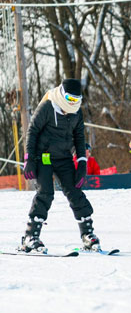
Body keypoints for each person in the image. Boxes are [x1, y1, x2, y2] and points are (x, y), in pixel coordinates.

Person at [21, 79, 101, 253]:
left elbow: (79, 138)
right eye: (69, 99)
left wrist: (81, 163)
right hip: (44, 157)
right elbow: (32, 131)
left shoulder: (76, 112)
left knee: (75, 192)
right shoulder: (48, 107)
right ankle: (30, 236)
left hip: (63, 157)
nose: (71, 104)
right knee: (46, 193)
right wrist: (29, 159)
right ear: (62, 94)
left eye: (75, 100)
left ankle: (87, 234)